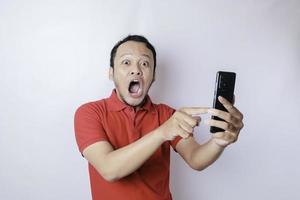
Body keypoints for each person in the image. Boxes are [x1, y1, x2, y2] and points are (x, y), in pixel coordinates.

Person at [74, 35, 244, 200]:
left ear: (153, 76)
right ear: (111, 73)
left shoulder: (167, 115)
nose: (136, 70)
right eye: (126, 62)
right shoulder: (89, 112)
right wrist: (162, 132)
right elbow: (109, 169)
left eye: (145, 63)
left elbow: (196, 158)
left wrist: (218, 142)